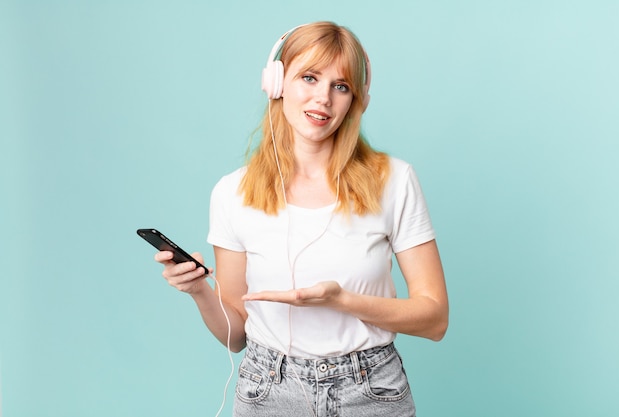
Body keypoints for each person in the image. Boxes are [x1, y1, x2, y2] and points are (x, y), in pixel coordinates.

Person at [155, 21, 448, 417]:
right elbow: (236, 335)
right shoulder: (232, 193)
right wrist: (198, 292)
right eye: (309, 78)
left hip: (371, 389)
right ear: (276, 83)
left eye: (340, 86)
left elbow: (434, 320)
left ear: (355, 100)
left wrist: (342, 301)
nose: (323, 98)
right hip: (269, 388)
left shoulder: (394, 180)